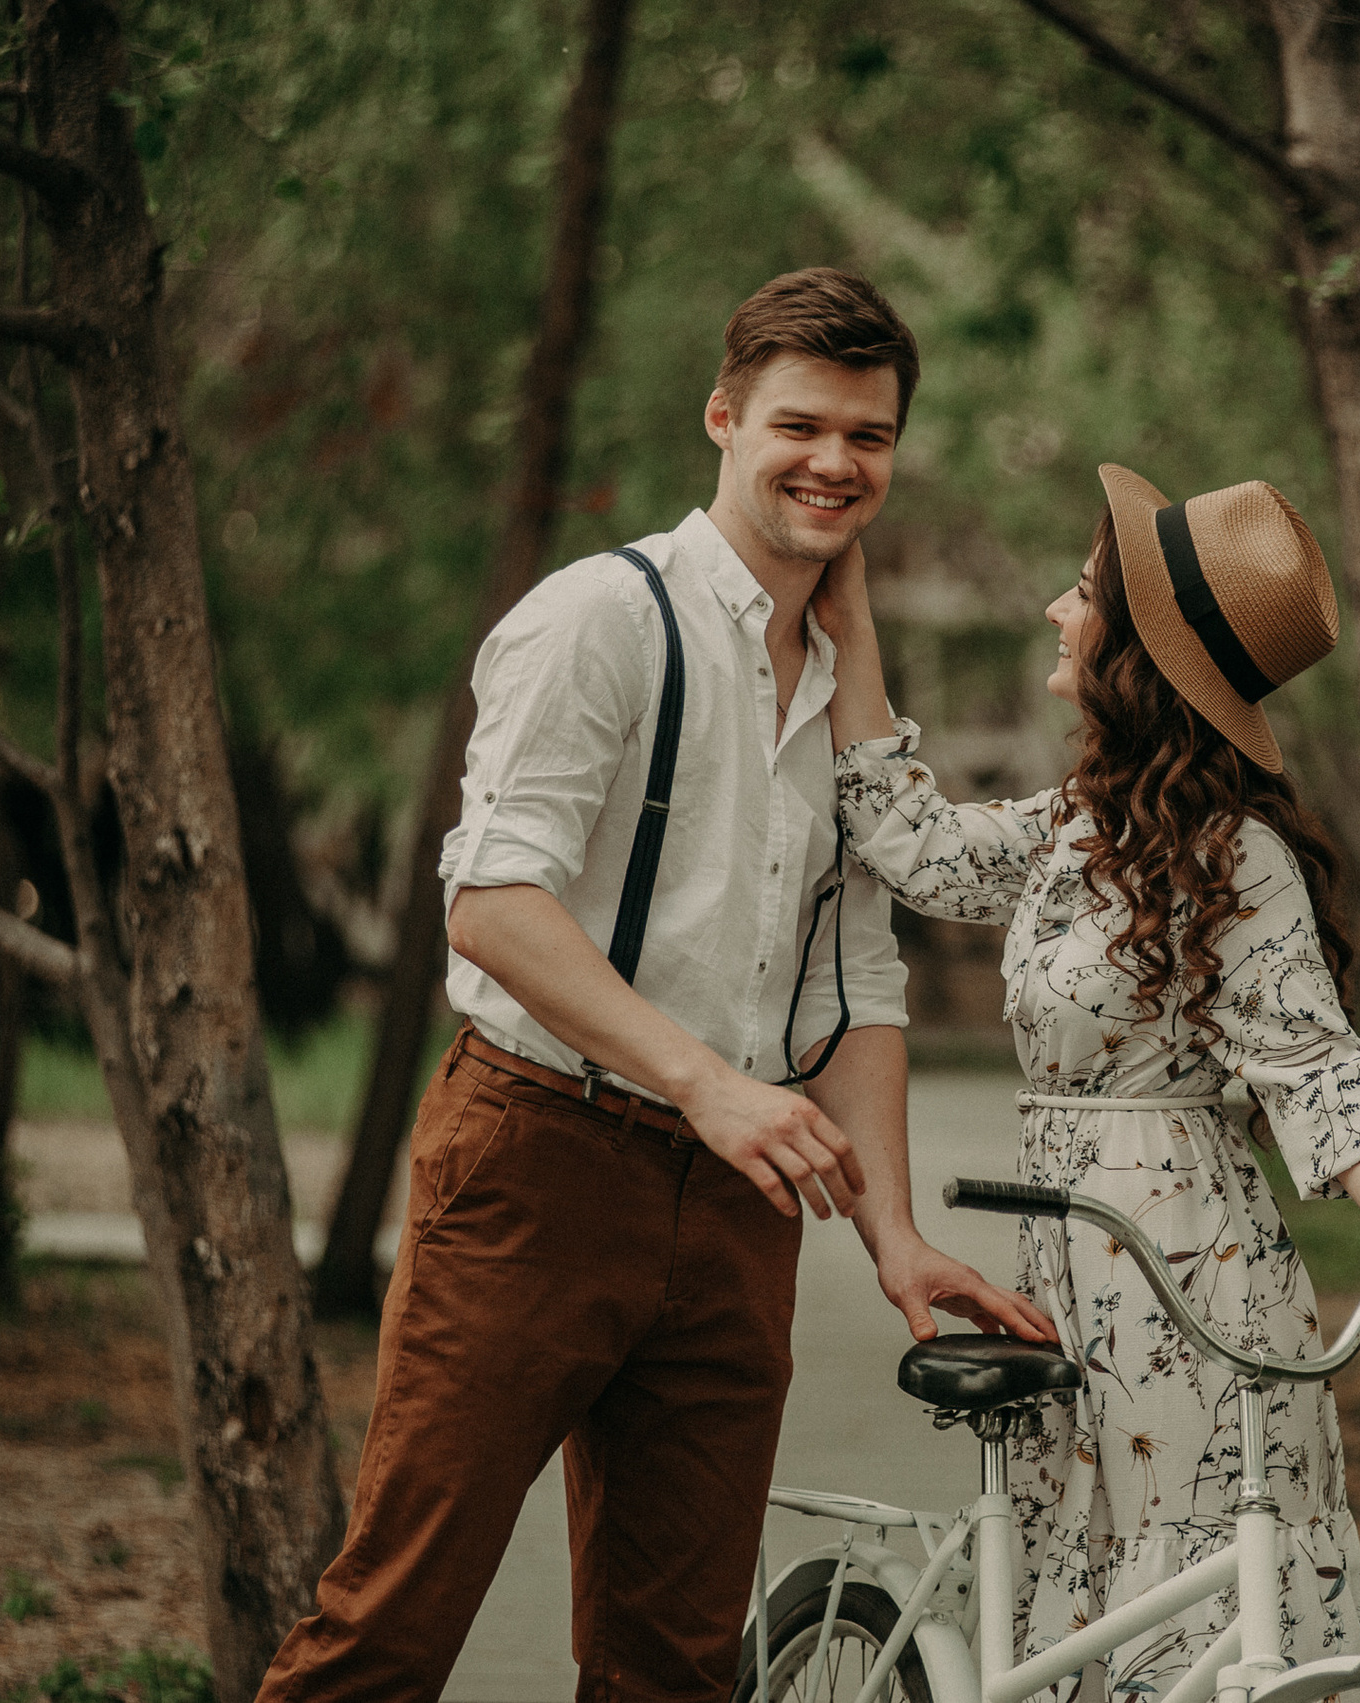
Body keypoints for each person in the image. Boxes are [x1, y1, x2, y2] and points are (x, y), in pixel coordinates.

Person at [256, 268, 1051, 1703]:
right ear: (723, 417)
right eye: (800, 425)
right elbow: (494, 904)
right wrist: (710, 1082)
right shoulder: (601, 620)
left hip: (737, 1213)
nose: (834, 462)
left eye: (868, 436)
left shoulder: (847, 692)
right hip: (540, 1161)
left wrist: (894, 1231)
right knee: (392, 1624)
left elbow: (858, 976)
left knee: (675, 1666)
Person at [813, 465, 1360, 1698]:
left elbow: (1312, 1063)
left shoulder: (1233, 852)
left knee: (1185, 1601)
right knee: (1071, 1592)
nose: (1050, 609)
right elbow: (911, 842)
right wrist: (850, 609)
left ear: (1136, 651)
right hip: (1060, 1257)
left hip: (1188, 1269)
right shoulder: (1075, 826)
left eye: (1080, 594)